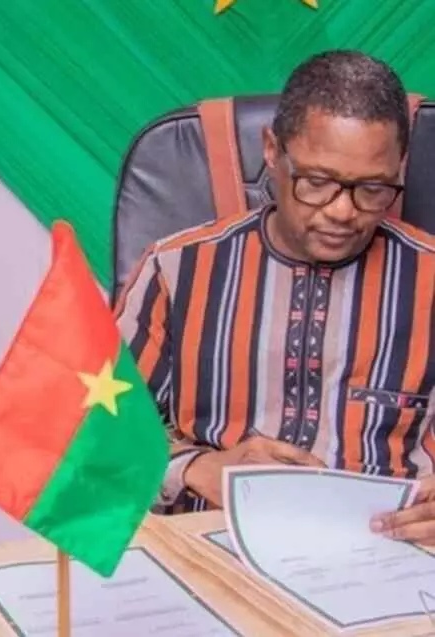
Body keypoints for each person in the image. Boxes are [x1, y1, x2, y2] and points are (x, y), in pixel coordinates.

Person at [115, 51, 435, 542]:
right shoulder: (175, 268)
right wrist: (195, 468)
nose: (342, 211)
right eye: (317, 182)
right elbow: (98, 428)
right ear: (271, 150)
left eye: (373, 188)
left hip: (391, 555)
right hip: (213, 546)